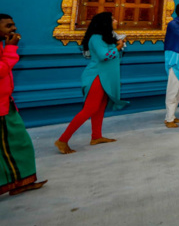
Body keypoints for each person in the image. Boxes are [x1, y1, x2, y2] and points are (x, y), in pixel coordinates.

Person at [56, 12, 129, 153]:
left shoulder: (105, 38)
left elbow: (113, 59)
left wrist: (118, 45)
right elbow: (104, 56)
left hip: (105, 77)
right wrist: (118, 47)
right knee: (89, 109)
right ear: (105, 23)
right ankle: (62, 140)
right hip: (97, 77)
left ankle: (96, 136)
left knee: (100, 107)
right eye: (113, 19)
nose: (116, 21)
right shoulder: (96, 38)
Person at [0, 14, 47, 195]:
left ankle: (20, 182)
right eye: (8, 26)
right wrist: (11, 49)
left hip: (6, 102)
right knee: (17, 143)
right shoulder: (7, 47)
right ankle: (18, 182)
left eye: (13, 25)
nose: (13, 29)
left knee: (17, 143)